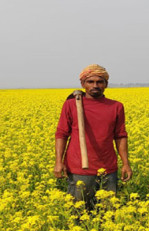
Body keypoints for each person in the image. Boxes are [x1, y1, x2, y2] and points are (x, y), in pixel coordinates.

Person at [54, 64, 132, 209]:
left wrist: (125, 163)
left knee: (108, 213)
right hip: (79, 169)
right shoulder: (71, 105)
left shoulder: (116, 107)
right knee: (78, 213)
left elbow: (120, 136)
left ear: (106, 84)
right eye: (90, 82)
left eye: (99, 82)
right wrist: (58, 162)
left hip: (108, 169)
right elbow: (61, 134)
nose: (95, 85)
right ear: (83, 84)